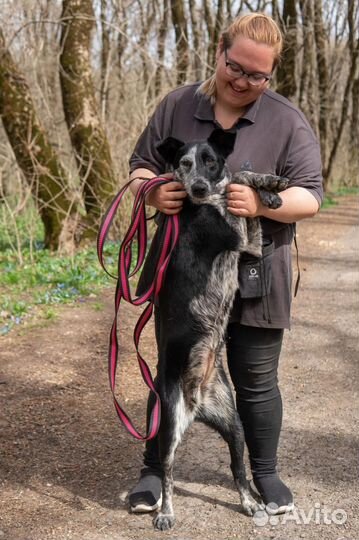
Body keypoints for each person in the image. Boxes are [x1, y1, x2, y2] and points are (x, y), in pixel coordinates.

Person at [127, 12, 323, 515]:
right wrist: (153, 192)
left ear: (271, 74)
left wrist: (262, 206)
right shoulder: (177, 105)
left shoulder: (286, 120)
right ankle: (153, 471)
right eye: (235, 67)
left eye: (257, 75)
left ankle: (265, 474)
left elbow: (311, 196)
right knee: (173, 369)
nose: (242, 81)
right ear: (219, 50)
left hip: (257, 273)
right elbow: (138, 168)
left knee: (255, 381)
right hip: (180, 274)